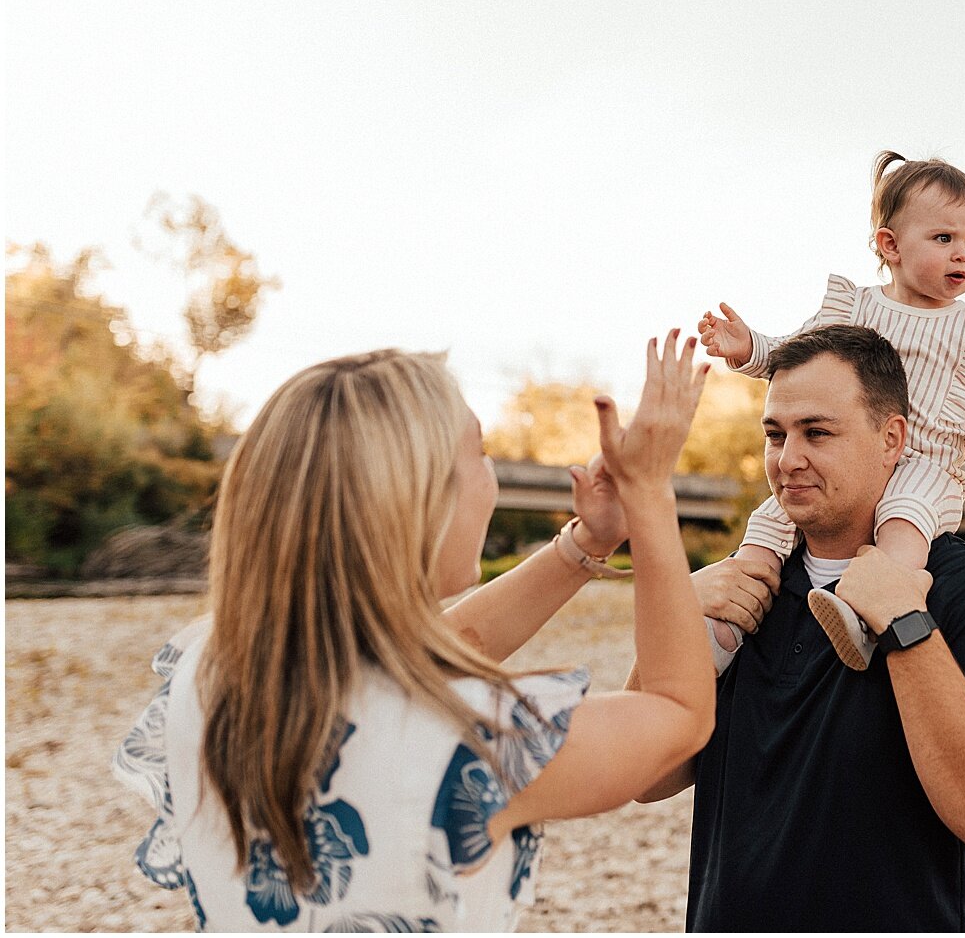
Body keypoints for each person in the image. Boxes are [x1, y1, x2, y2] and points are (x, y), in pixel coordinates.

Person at [113, 333, 715, 931]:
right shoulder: (471, 736)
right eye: (478, 454)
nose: (491, 477)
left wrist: (588, 543)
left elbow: (427, 656)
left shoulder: (208, 668)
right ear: (419, 504)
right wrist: (650, 493)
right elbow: (678, 714)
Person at [635, 325, 965, 932]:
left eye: (817, 433)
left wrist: (906, 624)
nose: (788, 458)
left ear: (892, 438)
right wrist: (677, 619)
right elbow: (646, 774)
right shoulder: (745, 585)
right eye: (775, 434)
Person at [697, 149, 965, 671]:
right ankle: (727, 624)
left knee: (904, 521)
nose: (963, 254)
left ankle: (870, 612)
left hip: (925, 463)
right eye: (944, 239)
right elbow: (795, 355)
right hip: (847, 457)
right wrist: (748, 348)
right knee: (770, 522)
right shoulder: (855, 307)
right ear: (890, 245)